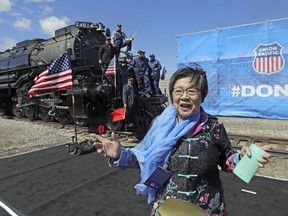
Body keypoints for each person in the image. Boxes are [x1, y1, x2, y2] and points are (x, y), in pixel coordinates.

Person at [90, 65, 272, 215]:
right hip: (168, 209)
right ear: (172, 95)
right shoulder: (161, 124)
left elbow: (227, 161)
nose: (184, 96)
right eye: (178, 91)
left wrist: (244, 159)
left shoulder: (214, 126)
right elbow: (144, 157)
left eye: (191, 91)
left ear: (202, 96)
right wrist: (119, 154)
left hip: (206, 209)